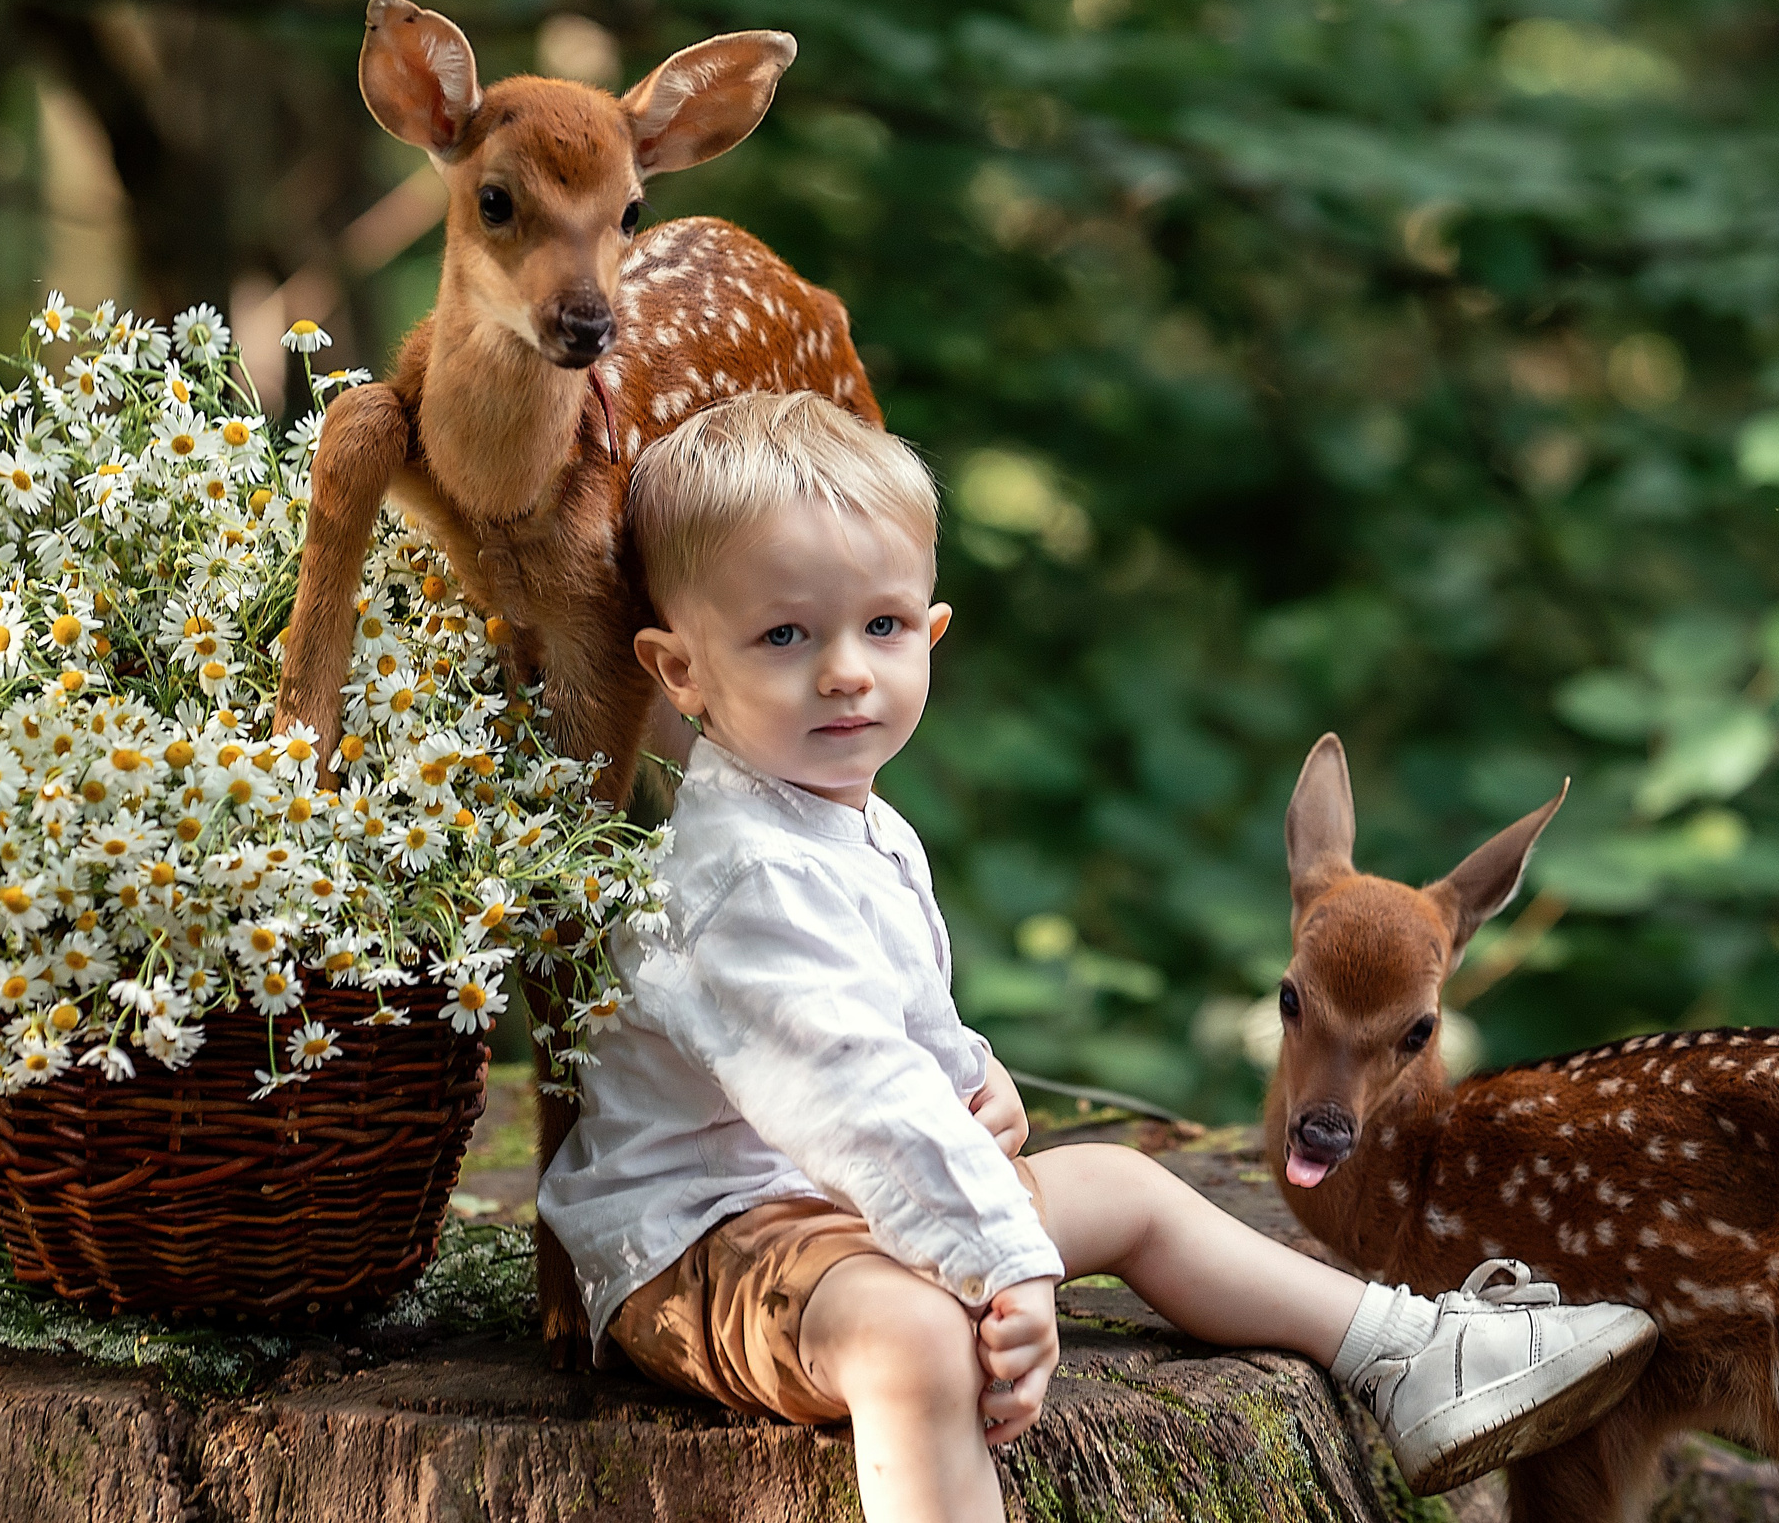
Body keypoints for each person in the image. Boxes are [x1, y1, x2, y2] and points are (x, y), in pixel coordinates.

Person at [537, 394, 1655, 1519]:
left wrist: (971, 1077)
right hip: (704, 1238)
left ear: (929, 635)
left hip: (858, 1199)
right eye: (784, 635)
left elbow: (896, 1027)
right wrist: (995, 1257)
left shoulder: (851, 818)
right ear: (678, 671)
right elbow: (843, 1089)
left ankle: (1407, 1350)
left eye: (879, 628)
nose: (843, 672)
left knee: (1124, 1183)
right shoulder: (738, 872)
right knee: (918, 1339)